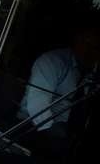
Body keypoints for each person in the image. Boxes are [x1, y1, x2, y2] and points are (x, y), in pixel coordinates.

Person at [16, 25, 100, 159]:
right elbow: (38, 107)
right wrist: (59, 139)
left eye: (96, 47)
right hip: (33, 128)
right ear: (77, 40)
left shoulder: (92, 74)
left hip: (68, 134)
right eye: (87, 42)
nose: (91, 51)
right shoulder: (52, 61)